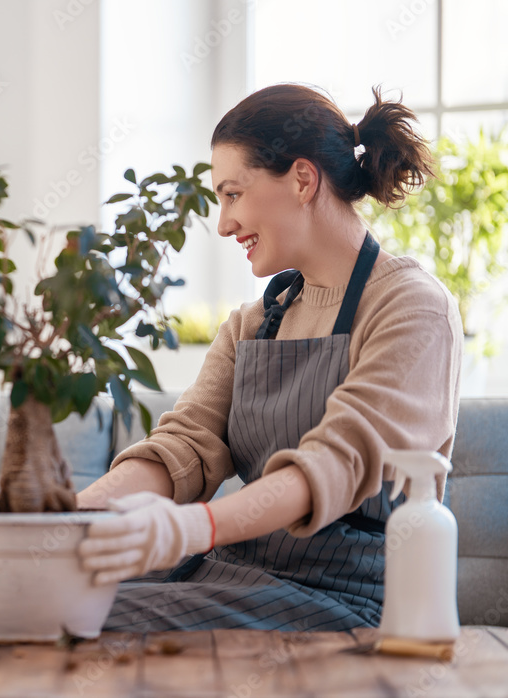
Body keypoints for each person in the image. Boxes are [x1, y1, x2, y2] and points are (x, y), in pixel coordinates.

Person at [76, 84, 463, 632]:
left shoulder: (412, 308)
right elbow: (184, 445)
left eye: (233, 194)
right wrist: (66, 517)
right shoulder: (258, 321)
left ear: (303, 180)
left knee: (94, 622)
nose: (223, 223)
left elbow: (333, 464)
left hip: (346, 598)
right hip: (233, 574)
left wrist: (188, 528)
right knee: (55, 601)